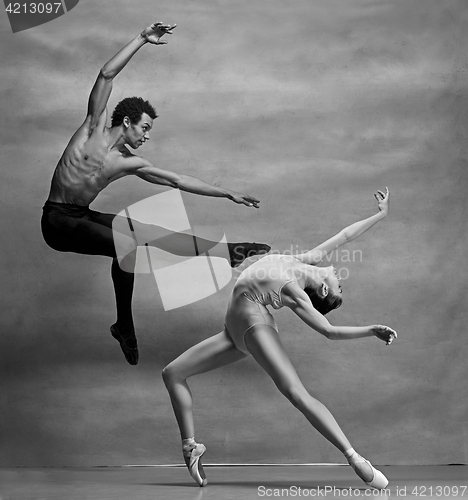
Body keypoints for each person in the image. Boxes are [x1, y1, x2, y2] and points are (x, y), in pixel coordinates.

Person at [41, 22, 270, 365]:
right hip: (57, 221)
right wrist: (142, 40)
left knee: (143, 234)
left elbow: (178, 180)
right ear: (128, 122)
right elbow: (106, 75)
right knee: (128, 248)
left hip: (81, 215)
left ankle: (226, 252)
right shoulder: (92, 128)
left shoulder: (130, 163)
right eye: (145, 128)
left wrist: (227, 193)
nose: (147, 136)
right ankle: (125, 325)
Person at [162, 187, 397, 489]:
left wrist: (371, 330)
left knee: (296, 393)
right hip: (233, 331)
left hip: (254, 326)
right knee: (173, 373)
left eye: (340, 288)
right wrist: (381, 214)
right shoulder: (306, 260)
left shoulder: (295, 291)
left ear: (323, 291)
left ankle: (354, 457)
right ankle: (190, 447)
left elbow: (329, 331)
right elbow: (345, 236)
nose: (341, 281)